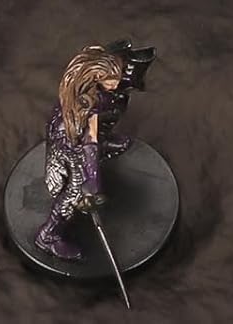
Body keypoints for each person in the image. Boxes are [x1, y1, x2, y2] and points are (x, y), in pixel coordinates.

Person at [36, 40, 155, 260]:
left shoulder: (98, 91)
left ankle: (104, 143)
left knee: (110, 112)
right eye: (113, 79)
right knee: (75, 190)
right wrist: (91, 180)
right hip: (69, 144)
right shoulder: (86, 103)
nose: (117, 83)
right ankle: (48, 235)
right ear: (99, 77)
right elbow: (89, 140)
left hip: (82, 134)